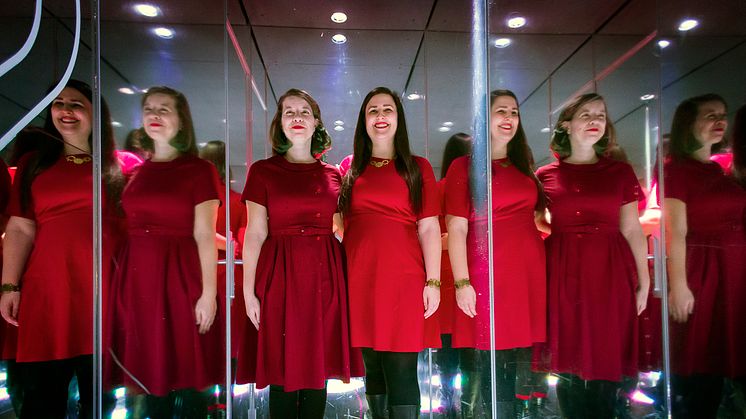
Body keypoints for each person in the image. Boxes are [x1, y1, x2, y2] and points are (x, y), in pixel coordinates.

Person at [0, 79, 124, 418]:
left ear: (95, 114)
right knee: (41, 398)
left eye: (76, 104)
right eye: (58, 103)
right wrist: (9, 285)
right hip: (49, 293)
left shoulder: (118, 167)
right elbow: (20, 228)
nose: (66, 111)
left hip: (103, 294)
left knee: (101, 402)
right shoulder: (33, 164)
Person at [236, 89, 361, 418]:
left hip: (325, 276)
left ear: (316, 122)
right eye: (288, 112)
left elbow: (344, 229)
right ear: (280, 123)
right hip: (279, 275)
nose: (296, 117)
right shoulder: (263, 171)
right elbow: (256, 233)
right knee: (281, 368)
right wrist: (248, 292)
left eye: (303, 111)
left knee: (316, 372)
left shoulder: (334, 175)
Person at [105, 86, 223, 416]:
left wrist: (209, 294)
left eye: (164, 109)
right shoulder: (136, 173)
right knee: (146, 377)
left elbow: (204, 234)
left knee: (188, 374)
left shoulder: (200, 171)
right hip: (137, 278)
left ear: (182, 120)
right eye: (149, 109)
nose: (155, 115)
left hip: (181, 276)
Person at [535, 93, 650, 418]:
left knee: (607, 357)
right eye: (586, 114)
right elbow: (537, 220)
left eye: (600, 115)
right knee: (569, 362)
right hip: (564, 272)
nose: (595, 120)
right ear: (567, 125)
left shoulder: (620, 172)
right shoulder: (546, 175)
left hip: (610, 271)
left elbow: (632, 229)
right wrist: (562, 232)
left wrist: (643, 280)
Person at [339, 86, 441, 418]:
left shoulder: (417, 167)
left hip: (404, 278)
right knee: (372, 364)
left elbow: (428, 228)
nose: (380, 116)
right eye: (373, 110)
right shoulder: (349, 168)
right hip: (359, 278)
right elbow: (339, 223)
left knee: (401, 365)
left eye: (388, 110)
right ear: (363, 121)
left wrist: (434, 282)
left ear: (398, 119)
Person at [445, 90, 548, 418]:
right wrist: (462, 282)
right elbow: (457, 228)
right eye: (500, 111)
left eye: (514, 112)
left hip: (526, 268)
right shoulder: (464, 167)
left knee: (517, 360)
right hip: (486, 270)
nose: (508, 118)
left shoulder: (523, 163)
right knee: (490, 360)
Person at [664, 94, 746, 419]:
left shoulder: (717, 169)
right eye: (710, 115)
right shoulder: (676, 170)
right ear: (689, 123)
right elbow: (676, 231)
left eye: (722, 115)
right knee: (702, 359)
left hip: (734, 267)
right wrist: (679, 285)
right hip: (705, 268)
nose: (719, 121)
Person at [433, 132, 476, 418]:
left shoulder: (438, 189)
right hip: (466, 274)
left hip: (448, 276)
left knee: (449, 352)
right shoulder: (477, 190)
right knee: (471, 352)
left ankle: (450, 408)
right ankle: (467, 410)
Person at [198, 140, 247, 361]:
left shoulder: (195, 199)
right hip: (228, 275)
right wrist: (228, 244)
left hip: (199, 271)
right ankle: (226, 390)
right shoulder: (237, 200)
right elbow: (240, 245)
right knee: (228, 338)